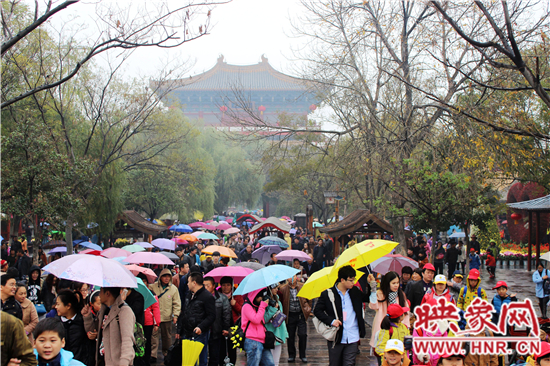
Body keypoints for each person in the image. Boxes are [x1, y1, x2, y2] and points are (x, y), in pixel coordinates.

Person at [314, 265, 370, 366]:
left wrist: (371, 284)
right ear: (342, 280)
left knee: (349, 363)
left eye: (354, 279)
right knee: (335, 363)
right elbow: (317, 311)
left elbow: (368, 298)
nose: (353, 282)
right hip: (336, 336)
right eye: (351, 280)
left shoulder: (355, 291)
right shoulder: (328, 294)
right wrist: (331, 321)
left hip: (352, 336)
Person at [83, 287, 136, 366]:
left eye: (101, 292)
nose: (99, 295)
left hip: (116, 362)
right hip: (103, 360)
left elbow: (127, 342)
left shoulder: (124, 311)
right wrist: (87, 317)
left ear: (107, 293)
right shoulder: (103, 310)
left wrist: (124, 363)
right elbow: (94, 329)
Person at [177, 272, 216, 366]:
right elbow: (184, 312)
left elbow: (211, 316)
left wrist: (201, 327)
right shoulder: (189, 295)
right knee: (188, 361)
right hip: (187, 332)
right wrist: (179, 330)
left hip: (199, 334)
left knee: (200, 360)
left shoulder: (207, 297)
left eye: (188, 281)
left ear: (194, 283)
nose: (187, 284)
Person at [369, 271, 409, 351]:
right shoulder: (380, 294)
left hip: (398, 330)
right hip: (383, 329)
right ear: (388, 283)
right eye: (393, 283)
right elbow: (373, 305)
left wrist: (406, 328)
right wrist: (373, 289)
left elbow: (406, 312)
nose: (396, 285)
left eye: (397, 282)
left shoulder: (401, 294)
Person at [149, 268, 181, 360]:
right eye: (164, 276)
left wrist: (176, 315)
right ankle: (153, 355)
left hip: (166, 316)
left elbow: (177, 303)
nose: (166, 278)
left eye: (168, 276)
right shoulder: (153, 287)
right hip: (155, 317)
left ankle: (167, 353)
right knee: (153, 336)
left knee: (167, 337)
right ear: (160, 277)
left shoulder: (173, 289)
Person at [279, 275, 312, 363]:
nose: (291, 279)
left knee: (302, 335)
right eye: (289, 277)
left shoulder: (302, 286)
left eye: (293, 276)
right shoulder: (283, 289)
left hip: (301, 315)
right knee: (290, 336)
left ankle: (302, 355)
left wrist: (308, 309)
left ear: (296, 277)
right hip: (290, 315)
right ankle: (291, 355)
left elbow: (309, 299)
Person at [241, 287, 275, 366]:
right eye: (261, 297)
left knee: (270, 364)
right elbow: (256, 320)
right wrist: (262, 306)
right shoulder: (246, 306)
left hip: (262, 340)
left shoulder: (257, 306)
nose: (262, 299)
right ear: (255, 296)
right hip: (252, 341)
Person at [54, 289, 88, 364]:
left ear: (68, 306)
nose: (56, 307)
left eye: (58, 304)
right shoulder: (55, 323)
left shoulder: (82, 321)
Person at [203, 276, 231, 366]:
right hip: (203, 330)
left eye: (208, 285)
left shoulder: (222, 298)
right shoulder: (200, 297)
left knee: (214, 356)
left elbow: (226, 315)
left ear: (213, 286)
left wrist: (226, 328)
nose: (206, 288)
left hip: (216, 330)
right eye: (204, 286)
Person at [219, 276, 243, 366]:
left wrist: (235, 304)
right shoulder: (218, 295)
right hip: (220, 326)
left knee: (232, 349)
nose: (226, 287)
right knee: (221, 349)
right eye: (224, 285)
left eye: (228, 285)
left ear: (231, 286)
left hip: (233, 326)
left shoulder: (237, 295)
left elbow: (242, 310)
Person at [264, 283, 288, 366]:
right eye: (274, 288)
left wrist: (284, 332)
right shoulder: (265, 302)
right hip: (270, 333)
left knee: (276, 360)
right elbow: (264, 319)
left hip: (279, 332)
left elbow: (281, 316)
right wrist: (273, 309)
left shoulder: (277, 298)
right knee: (269, 361)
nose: (277, 290)